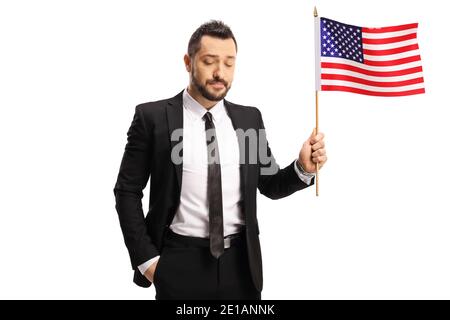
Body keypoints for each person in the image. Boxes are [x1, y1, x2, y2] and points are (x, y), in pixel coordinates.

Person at [113, 20, 327, 300]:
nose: (219, 73)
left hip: (241, 266)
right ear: (188, 62)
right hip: (178, 262)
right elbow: (127, 191)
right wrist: (149, 262)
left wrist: (302, 169)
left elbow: (270, 184)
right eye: (209, 61)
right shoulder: (152, 118)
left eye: (229, 63)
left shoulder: (249, 120)